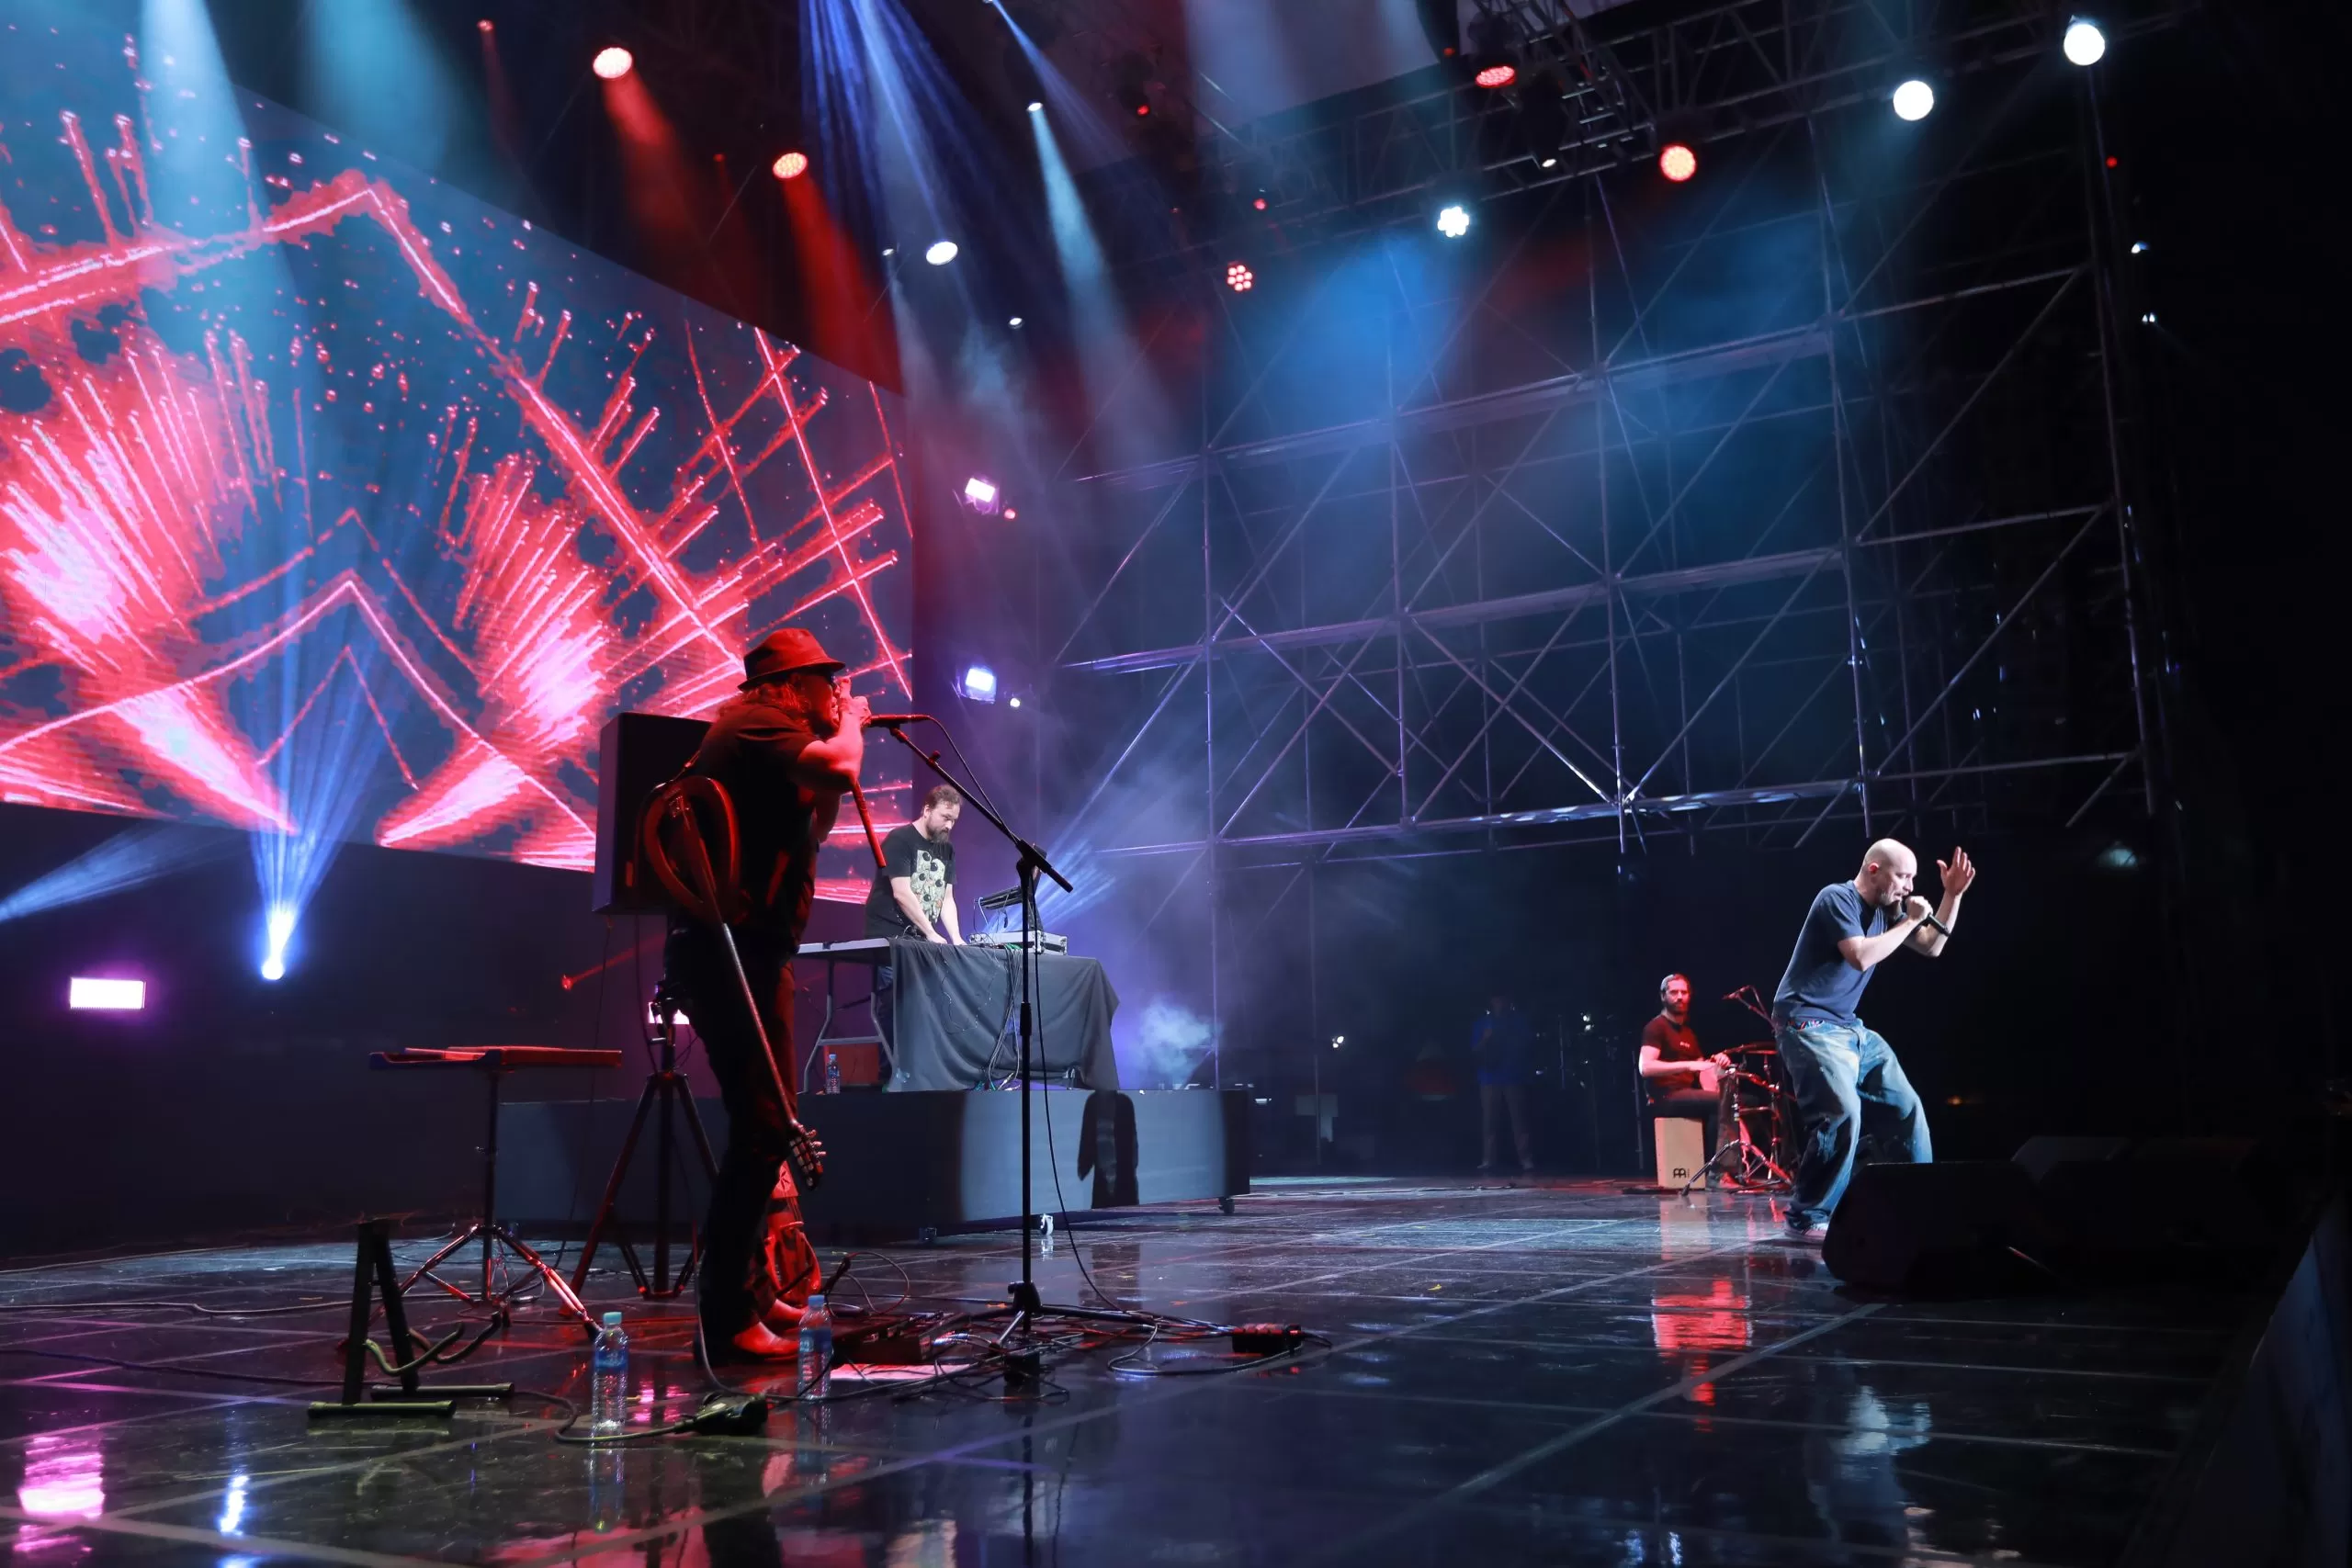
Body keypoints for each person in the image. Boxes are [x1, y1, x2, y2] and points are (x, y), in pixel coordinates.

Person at [660, 626, 868, 1360]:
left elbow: (820, 811)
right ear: (789, 684)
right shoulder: (754, 722)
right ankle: (724, 1321)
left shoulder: (775, 738)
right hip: (728, 954)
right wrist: (851, 724)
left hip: (754, 952)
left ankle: (746, 1291)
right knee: (760, 1126)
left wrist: (836, 734)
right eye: (824, 680)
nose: (835, 691)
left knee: (766, 1125)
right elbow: (841, 766)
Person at [1771, 839, 1975, 1238]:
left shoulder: (1889, 910)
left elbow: (1932, 947)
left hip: (1850, 1027)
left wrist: (1951, 895)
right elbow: (1861, 956)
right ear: (1874, 871)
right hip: (1807, 1022)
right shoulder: (1837, 898)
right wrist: (1909, 922)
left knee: (1907, 1109)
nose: (1909, 887)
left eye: (1913, 878)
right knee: (1842, 1112)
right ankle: (1806, 1217)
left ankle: (1922, 1205)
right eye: (1903, 877)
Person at [862, 784, 964, 1050]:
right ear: (927, 810)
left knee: (926, 1008)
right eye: (945, 817)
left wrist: (956, 938)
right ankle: (892, 1070)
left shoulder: (946, 850)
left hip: (920, 943)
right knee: (895, 1008)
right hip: (889, 940)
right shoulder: (900, 840)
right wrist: (931, 933)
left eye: (954, 820)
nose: (949, 825)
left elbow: (946, 899)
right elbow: (902, 893)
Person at [1638, 974, 1730, 1154]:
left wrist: (1716, 1062)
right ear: (1663, 996)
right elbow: (1645, 1067)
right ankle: (1719, 1166)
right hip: (1665, 1096)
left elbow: (1701, 1068)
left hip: (1687, 1094)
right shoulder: (1656, 1027)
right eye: (1674, 992)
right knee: (1722, 1103)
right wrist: (1687, 1065)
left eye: (1684, 992)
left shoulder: (1688, 1033)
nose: (1680, 997)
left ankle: (1737, 1159)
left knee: (1746, 1102)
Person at [1472, 993, 1536, 1178]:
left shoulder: (1518, 1021)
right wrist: (1486, 1038)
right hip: (1489, 1078)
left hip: (1513, 1076)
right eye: (1496, 999)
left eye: (1502, 999)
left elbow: (1528, 1043)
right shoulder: (1483, 1022)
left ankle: (1525, 1158)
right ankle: (1488, 1159)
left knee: (1519, 1119)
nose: (1499, 1003)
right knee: (1489, 1120)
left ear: (1508, 1001)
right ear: (1491, 1002)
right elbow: (1475, 1049)